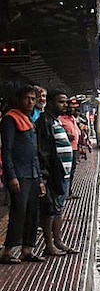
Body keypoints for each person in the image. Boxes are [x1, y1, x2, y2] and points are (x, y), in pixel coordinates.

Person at [1, 85, 46, 263]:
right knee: (19, 212)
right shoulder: (10, 120)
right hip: (19, 174)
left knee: (32, 213)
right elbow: (6, 150)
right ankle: (8, 251)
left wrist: (40, 178)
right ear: (18, 99)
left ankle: (27, 249)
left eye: (33, 99)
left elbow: (34, 152)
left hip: (33, 174)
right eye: (27, 98)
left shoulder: (28, 120)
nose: (30, 102)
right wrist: (11, 175)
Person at [36, 90, 77, 256]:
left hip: (63, 173)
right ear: (51, 103)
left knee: (58, 208)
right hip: (53, 174)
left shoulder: (55, 121)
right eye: (62, 102)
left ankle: (58, 241)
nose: (65, 105)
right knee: (49, 209)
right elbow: (43, 151)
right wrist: (44, 176)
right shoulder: (44, 122)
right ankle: (49, 245)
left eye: (66, 102)